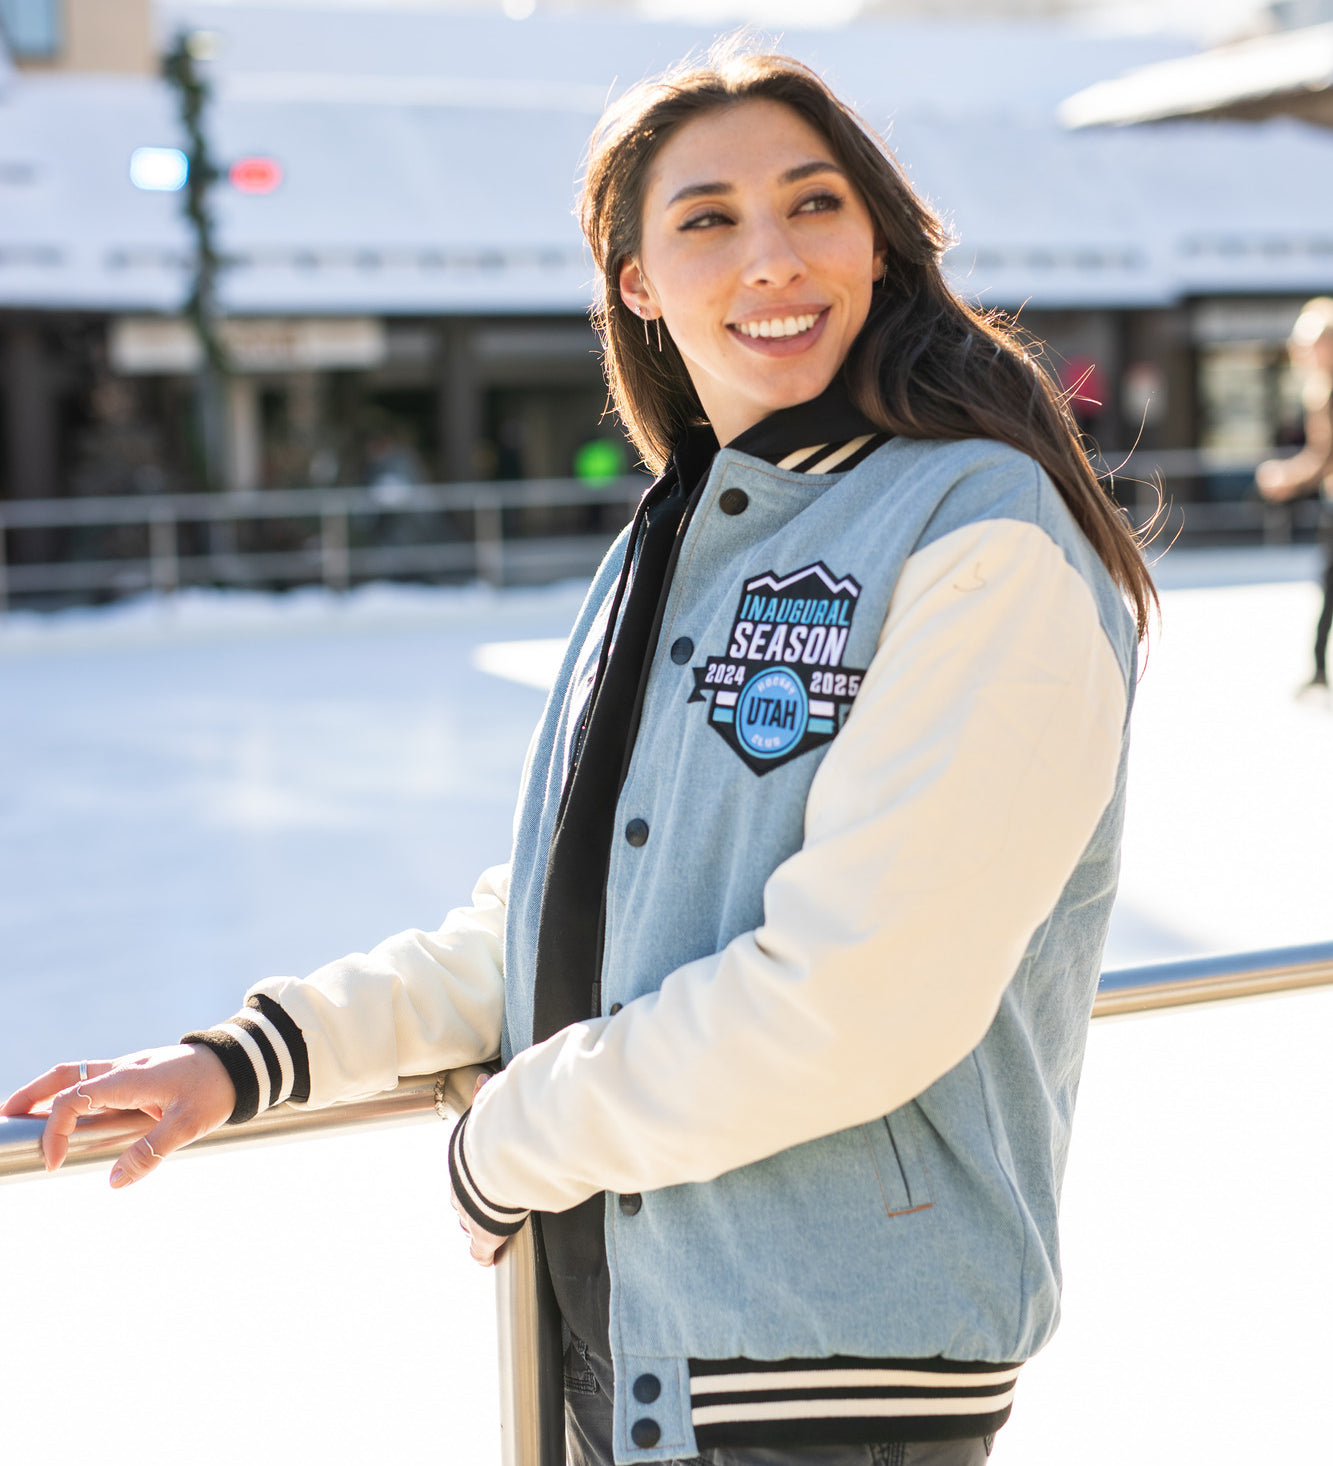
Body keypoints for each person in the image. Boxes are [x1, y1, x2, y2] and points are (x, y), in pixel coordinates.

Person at [4, 46, 1155, 1466]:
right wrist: (249, 1058)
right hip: (634, 1348)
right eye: (708, 220)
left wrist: (507, 1142)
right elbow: (563, 916)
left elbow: (863, 995)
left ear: (879, 239)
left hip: (827, 1375)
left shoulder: (979, 539)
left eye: (814, 203)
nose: (774, 258)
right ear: (637, 284)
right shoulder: (673, 542)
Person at [1256, 297, 1333, 693]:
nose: (1302, 352)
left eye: (1310, 343)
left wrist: (1289, 476)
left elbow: (1324, 457)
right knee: (1328, 584)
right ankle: (1319, 669)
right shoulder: (1318, 391)